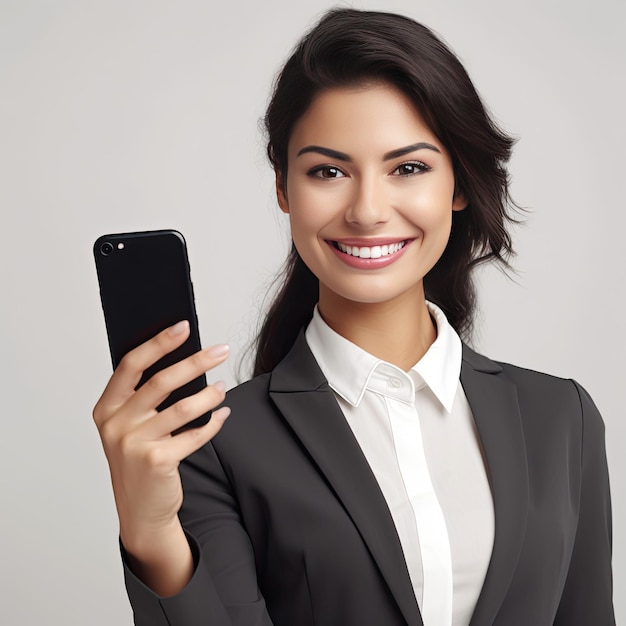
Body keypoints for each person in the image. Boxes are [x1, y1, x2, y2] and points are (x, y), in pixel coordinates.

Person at [92, 8, 615, 626]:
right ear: (284, 187)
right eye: (328, 171)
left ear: (458, 184)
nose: (367, 210)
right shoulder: (217, 443)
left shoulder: (562, 420)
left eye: (409, 168)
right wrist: (151, 533)